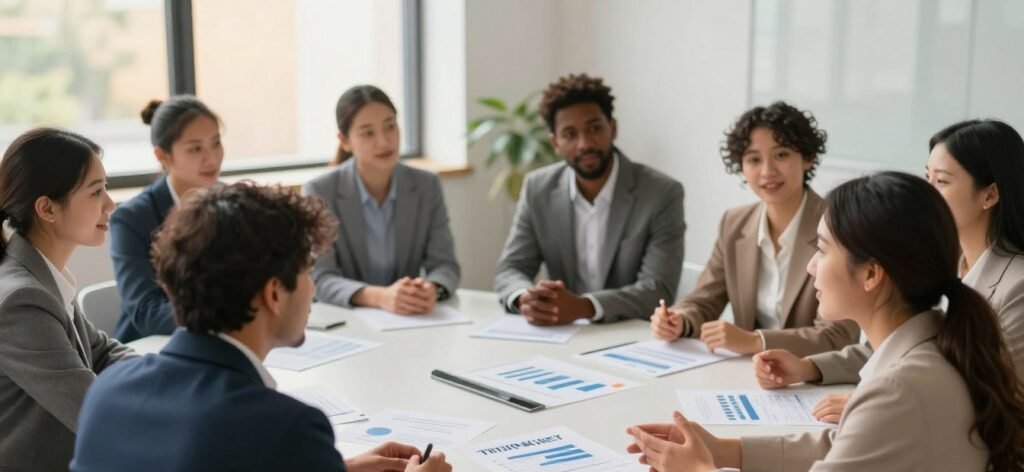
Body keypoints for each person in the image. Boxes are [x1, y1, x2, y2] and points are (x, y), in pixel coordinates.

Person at [629, 172, 1024, 472]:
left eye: (821, 249)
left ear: (872, 274)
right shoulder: (940, 346)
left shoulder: (902, 390)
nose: (812, 265)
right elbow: (849, 446)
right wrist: (724, 450)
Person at [71, 182, 459, 472]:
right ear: (274, 293)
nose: (312, 290)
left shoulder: (109, 389)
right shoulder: (281, 431)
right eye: (308, 272)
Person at [754, 119, 1024, 422]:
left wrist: (878, 406)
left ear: (989, 195)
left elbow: (995, 398)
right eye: (927, 178)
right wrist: (810, 367)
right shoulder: (942, 260)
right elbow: (897, 343)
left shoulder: (1018, 287)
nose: (928, 193)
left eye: (943, 181)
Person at [0, 128, 134, 472]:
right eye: (97, 192)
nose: (110, 205)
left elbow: (105, 351)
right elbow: (99, 415)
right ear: (47, 208)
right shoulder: (21, 299)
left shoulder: (40, 277)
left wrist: (171, 375)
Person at [650, 102, 858, 355]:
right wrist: (679, 321)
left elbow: (838, 335)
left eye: (781, 155)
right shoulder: (734, 223)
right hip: (750, 374)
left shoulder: (840, 225)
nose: (767, 171)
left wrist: (756, 341)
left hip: (814, 379)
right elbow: (703, 301)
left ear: (807, 158)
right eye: (753, 159)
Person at [494, 73, 685, 324]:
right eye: (569, 134)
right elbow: (511, 268)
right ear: (555, 143)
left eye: (594, 128)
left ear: (612, 128)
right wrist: (525, 299)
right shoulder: (538, 188)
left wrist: (584, 307)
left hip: (629, 335)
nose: (584, 144)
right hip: (562, 335)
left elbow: (658, 289)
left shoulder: (661, 193)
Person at [304, 85, 460, 315]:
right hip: (348, 321)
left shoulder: (427, 185)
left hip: (411, 319)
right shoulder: (320, 191)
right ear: (345, 140)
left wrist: (430, 289)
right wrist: (379, 297)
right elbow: (319, 277)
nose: (384, 141)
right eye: (368, 132)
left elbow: (445, 265)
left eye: (390, 126)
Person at [110, 96, 224, 341]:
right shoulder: (132, 219)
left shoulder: (231, 201)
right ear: (163, 156)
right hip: (151, 348)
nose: (212, 158)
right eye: (195, 148)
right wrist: (222, 318)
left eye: (216, 143)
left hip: (218, 340)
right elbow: (145, 310)